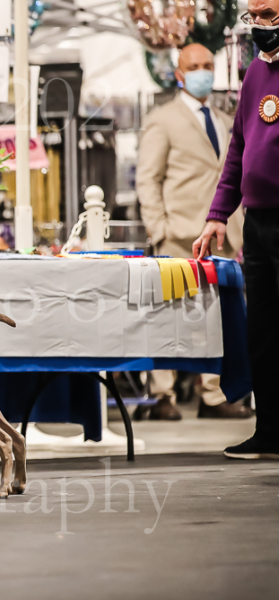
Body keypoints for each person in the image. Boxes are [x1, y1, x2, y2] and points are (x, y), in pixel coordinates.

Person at [137, 43, 252, 421]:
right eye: (195, 66)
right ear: (179, 74)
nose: (203, 71)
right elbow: (148, 180)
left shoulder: (224, 119)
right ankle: (162, 394)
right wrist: (159, 229)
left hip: (222, 236)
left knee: (216, 319)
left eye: (208, 65)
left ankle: (213, 395)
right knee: (167, 316)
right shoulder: (163, 120)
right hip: (178, 235)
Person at [193, 0, 279, 459]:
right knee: (262, 331)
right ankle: (271, 430)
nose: (260, 25)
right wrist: (217, 214)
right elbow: (238, 151)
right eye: (254, 16)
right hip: (257, 223)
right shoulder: (254, 74)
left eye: (270, 15)